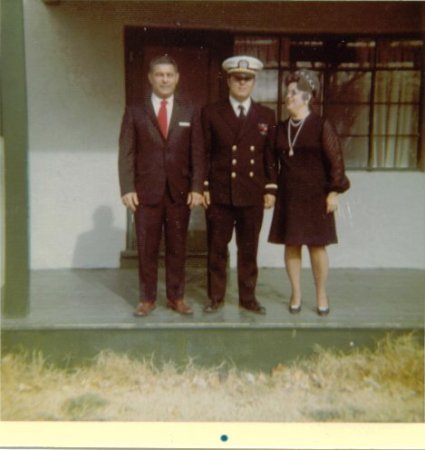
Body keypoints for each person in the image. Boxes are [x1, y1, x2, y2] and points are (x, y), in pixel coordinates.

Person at [118, 55, 205, 317]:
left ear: (177, 78)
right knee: (147, 247)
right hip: (146, 192)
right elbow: (126, 153)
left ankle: (176, 297)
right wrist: (127, 188)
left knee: (177, 247)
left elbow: (198, 152)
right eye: (159, 74)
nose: (165, 79)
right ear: (150, 78)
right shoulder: (135, 111)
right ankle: (147, 299)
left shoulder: (190, 111)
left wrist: (197, 187)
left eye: (169, 75)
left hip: (179, 192)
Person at [268, 70, 350, 316]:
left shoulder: (321, 125)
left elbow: (336, 161)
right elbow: (271, 162)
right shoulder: (280, 128)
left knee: (317, 247)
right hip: (289, 196)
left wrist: (333, 192)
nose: (287, 97)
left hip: (316, 196)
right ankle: (296, 293)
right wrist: (271, 189)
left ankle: (321, 294)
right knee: (291, 244)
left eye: (293, 93)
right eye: (287, 93)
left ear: (307, 96)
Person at [202, 55, 277, 314]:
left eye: (247, 79)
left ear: (254, 82)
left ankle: (248, 298)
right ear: (228, 80)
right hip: (220, 194)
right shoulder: (211, 112)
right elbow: (204, 152)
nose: (242, 83)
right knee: (217, 249)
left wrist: (270, 188)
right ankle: (216, 297)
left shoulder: (266, 114)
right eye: (237, 78)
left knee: (248, 250)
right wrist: (204, 186)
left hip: (251, 193)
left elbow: (269, 155)